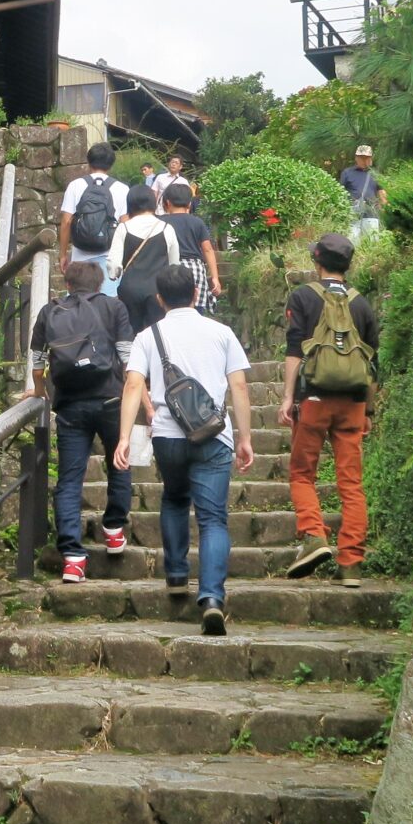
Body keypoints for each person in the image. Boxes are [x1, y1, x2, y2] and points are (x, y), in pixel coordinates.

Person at [114, 263, 254, 635]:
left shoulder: (148, 336)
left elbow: (132, 387)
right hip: (212, 436)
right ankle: (211, 599)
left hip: (168, 437)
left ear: (159, 300)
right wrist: (244, 438)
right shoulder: (221, 333)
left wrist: (125, 437)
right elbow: (239, 387)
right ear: (196, 293)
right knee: (213, 520)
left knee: (175, 499)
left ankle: (176, 574)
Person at [278, 232, 380, 589]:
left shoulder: (304, 296)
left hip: (314, 400)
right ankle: (351, 563)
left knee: (302, 474)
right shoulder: (363, 304)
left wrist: (288, 398)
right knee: (351, 484)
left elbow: (295, 351)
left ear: (317, 262)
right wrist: (368, 411)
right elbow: (372, 362)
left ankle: (314, 536)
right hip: (353, 404)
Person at [27, 259, 136, 583]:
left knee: (69, 480)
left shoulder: (50, 311)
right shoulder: (114, 308)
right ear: (100, 283)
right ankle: (114, 528)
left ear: (68, 284)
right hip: (111, 400)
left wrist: (39, 390)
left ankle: (73, 557)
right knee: (120, 463)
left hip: (71, 405)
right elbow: (128, 358)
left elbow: (37, 360)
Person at [107, 185, 182, 330]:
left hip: (130, 289)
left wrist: (114, 275)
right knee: (157, 332)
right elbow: (174, 264)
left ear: (131, 203)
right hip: (158, 290)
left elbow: (113, 264)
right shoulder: (167, 228)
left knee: (130, 334)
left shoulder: (124, 228)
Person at [58, 144, 128, 290]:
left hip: (79, 258)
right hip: (109, 258)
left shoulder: (75, 185)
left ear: (88, 162)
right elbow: (125, 225)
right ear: (111, 164)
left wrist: (63, 254)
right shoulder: (122, 188)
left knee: (79, 303)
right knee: (108, 305)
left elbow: (66, 222)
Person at [160, 181, 222, 316]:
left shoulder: (160, 222)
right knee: (195, 311)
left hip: (168, 267)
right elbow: (207, 250)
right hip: (195, 270)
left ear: (167, 203)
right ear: (189, 203)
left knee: (169, 309)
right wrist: (215, 277)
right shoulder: (197, 222)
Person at [338, 145, 387, 242]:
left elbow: (381, 191)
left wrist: (383, 205)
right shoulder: (347, 173)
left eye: (366, 157)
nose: (364, 160)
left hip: (371, 214)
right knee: (352, 243)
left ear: (371, 158)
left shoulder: (375, 174)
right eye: (361, 157)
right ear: (356, 158)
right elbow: (340, 192)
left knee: (372, 243)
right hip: (353, 214)